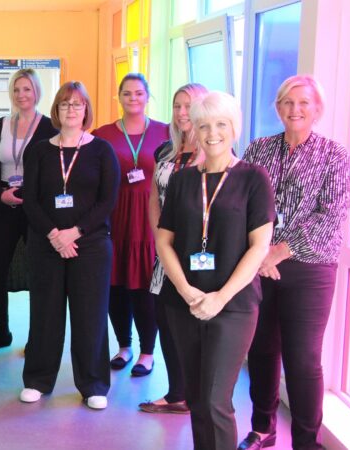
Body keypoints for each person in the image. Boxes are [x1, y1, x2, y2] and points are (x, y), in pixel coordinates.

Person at [238, 75, 350, 450]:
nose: (295, 109)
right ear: (278, 108)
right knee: (261, 350)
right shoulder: (258, 150)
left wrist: (277, 251)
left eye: (304, 103)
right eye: (288, 102)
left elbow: (330, 216)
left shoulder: (334, 155)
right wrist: (260, 253)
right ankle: (262, 429)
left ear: (317, 110)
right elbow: (243, 203)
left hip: (310, 269)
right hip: (260, 264)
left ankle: (306, 442)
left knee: (303, 359)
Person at [156, 91, 275, 450]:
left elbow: (259, 246)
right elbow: (164, 241)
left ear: (234, 128)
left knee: (215, 401)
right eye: (204, 125)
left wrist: (220, 297)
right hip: (185, 302)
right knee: (196, 398)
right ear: (193, 129)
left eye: (221, 124)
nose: (212, 134)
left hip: (233, 305)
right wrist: (186, 290)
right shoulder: (182, 180)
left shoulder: (254, 178)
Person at [20, 81, 120, 409]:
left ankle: (94, 384)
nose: (71, 110)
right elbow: (30, 200)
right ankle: (37, 380)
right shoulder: (39, 151)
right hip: (45, 244)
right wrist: (54, 234)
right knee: (45, 314)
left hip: (90, 245)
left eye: (77, 104)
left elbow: (108, 200)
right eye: (65, 104)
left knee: (90, 316)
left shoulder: (102, 150)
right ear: (56, 110)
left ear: (86, 110)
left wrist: (74, 232)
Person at [0, 68, 58, 350]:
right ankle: (2, 331)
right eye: (16, 89)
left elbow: (53, 171)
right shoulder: (0, 125)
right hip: (4, 204)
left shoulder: (50, 126)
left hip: (36, 208)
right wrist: (0, 195)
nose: (21, 95)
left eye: (27, 89)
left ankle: (37, 338)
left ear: (37, 92)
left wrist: (32, 197)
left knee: (39, 271)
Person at [92, 73, 169, 376]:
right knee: (115, 284)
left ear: (147, 96)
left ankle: (148, 352)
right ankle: (124, 346)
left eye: (138, 93)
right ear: (119, 97)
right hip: (114, 216)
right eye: (127, 93)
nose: (133, 98)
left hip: (150, 219)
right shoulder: (103, 134)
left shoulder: (166, 132)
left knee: (147, 287)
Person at [139, 83, 208, 414]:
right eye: (177, 106)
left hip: (199, 253)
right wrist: (159, 238)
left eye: (189, 106)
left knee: (194, 323)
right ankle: (177, 392)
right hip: (165, 252)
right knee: (165, 319)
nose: (182, 113)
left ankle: (199, 395)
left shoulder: (213, 150)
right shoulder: (166, 150)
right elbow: (155, 197)